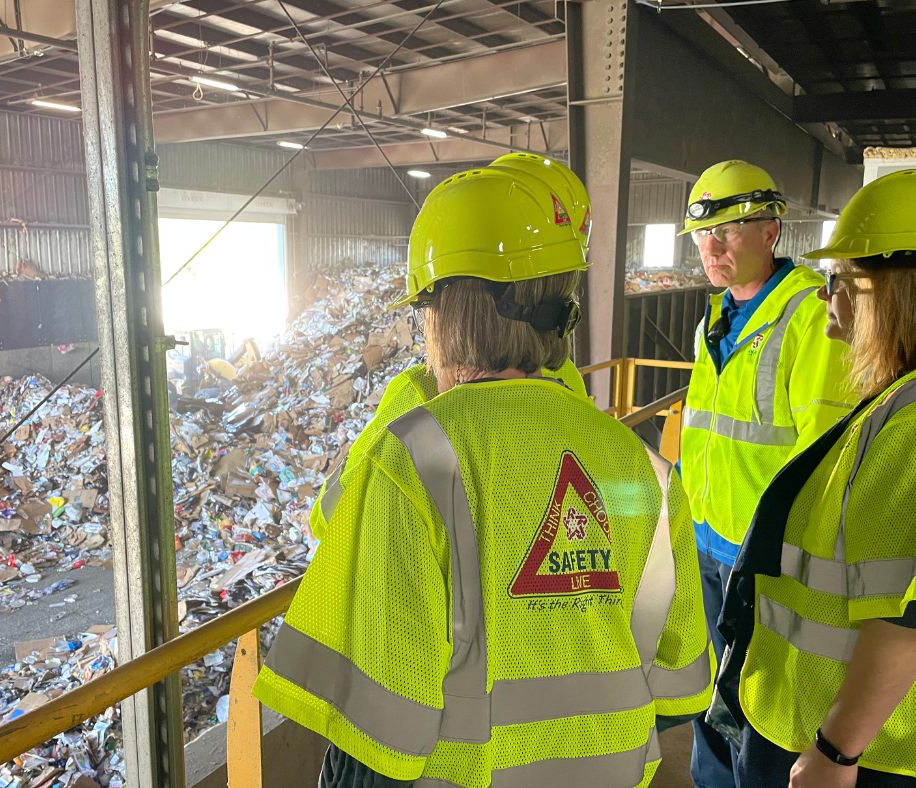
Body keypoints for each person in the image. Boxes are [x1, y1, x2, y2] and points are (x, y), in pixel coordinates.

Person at [253, 166, 714, 788]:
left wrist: (408, 411)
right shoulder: (643, 467)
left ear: (445, 312)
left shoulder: (414, 457)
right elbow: (677, 679)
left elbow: (380, 718)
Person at [713, 169, 916, 788]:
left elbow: (904, 614)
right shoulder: (891, 404)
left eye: (844, 280)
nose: (831, 299)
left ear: (897, 290)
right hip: (806, 722)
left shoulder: (911, 421)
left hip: (851, 750)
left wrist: (837, 751)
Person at [677, 160, 855, 788]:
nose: (712, 247)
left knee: (763, 713)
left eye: (728, 229)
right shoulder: (713, 322)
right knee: (711, 699)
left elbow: (822, 456)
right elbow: (700, 439)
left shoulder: (809, 315)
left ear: (772, 230)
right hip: (706, 547)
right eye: (703, 235)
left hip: (768, 559)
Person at [309, 155, 593, 541]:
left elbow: (331, 518)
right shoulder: (572, 390)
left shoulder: (418, 401)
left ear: (445, 312)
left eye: (424, 307)